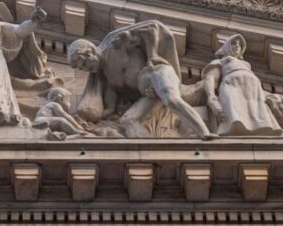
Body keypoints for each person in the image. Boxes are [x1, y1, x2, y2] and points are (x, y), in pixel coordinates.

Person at [68, 20, 216, 140]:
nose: (86, 69)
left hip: (156, 74)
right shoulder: (104, 77)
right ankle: (151, 157)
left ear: (91, 51)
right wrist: (84, 124)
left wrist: (152, 55)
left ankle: (204, 132)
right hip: (149, 94)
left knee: (171, 100)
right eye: (82, 68)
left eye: (85, 63)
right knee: (127, 120)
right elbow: (110, 108)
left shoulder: (115, 44)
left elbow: (151, 27)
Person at [201, 34, 283, 136]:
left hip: (254, 94)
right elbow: (210, 78)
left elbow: (258, 87)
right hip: (232, 88)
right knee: (235, 118)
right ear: (227, 46)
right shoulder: (222, 61)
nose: (237, 46)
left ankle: (259, 126)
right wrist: (211, 97)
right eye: (234, 43)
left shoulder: (246, 65)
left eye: (240, 44)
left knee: (259, 118)